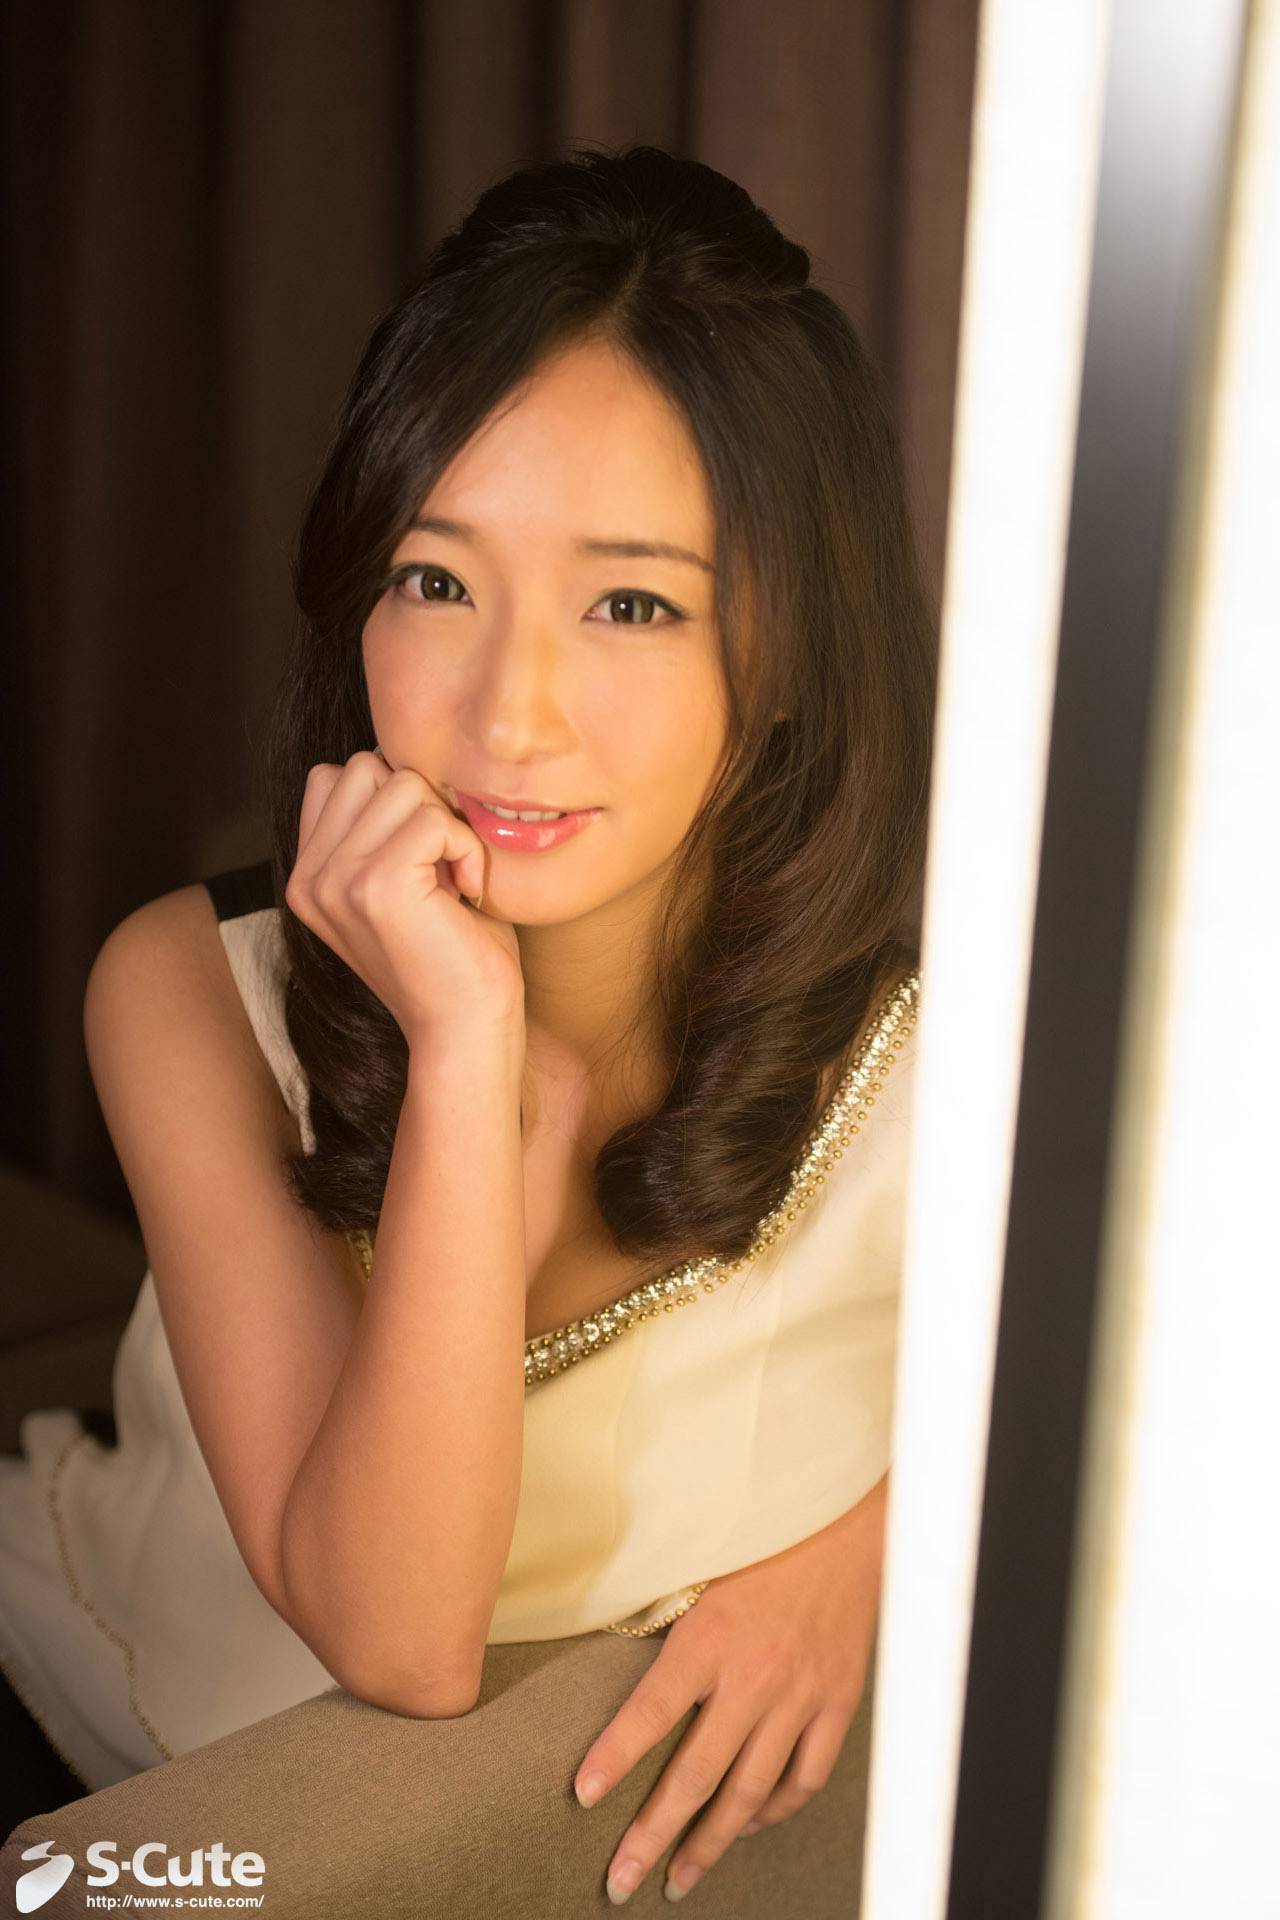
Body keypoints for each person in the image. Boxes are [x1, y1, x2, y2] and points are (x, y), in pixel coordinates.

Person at [0, 142, 933, 1856]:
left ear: (795, 651)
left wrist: (875, 1542)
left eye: (632, 603)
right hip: (130, 1756)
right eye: (435, 581)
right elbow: (400, 1638)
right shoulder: (187, 992)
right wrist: (466, 1048)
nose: (509, 713)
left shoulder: (949, 1061)